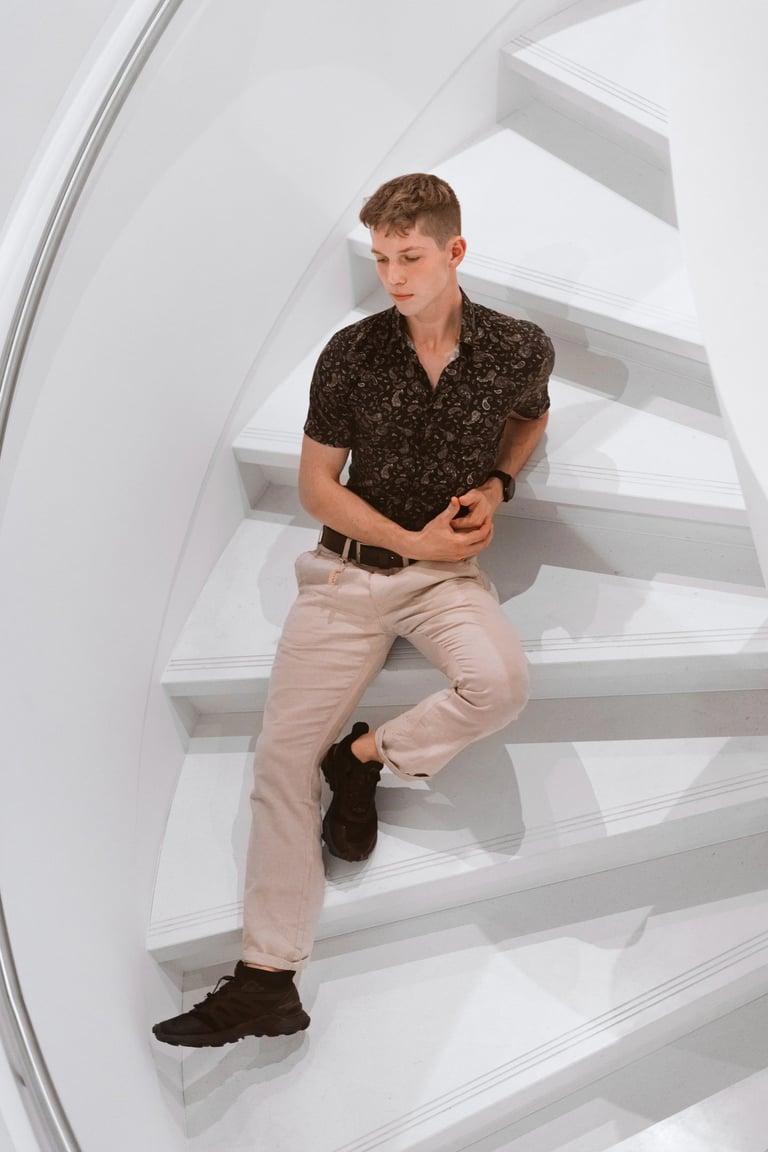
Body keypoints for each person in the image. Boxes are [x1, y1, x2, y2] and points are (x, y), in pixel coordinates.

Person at [153, 173, 554, 1048]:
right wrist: (417, 545)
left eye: (410, 256)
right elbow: (315, 490)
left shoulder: (517, 347)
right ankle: (268, 978)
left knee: (503, 685)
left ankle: (368, 756)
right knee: (279, 764)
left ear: (453, 251)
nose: (395, 276)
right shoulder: (353, 354)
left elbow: (530, 418)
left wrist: (497, 483)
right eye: (380, 259)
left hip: (444, 580)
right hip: (347, 576)